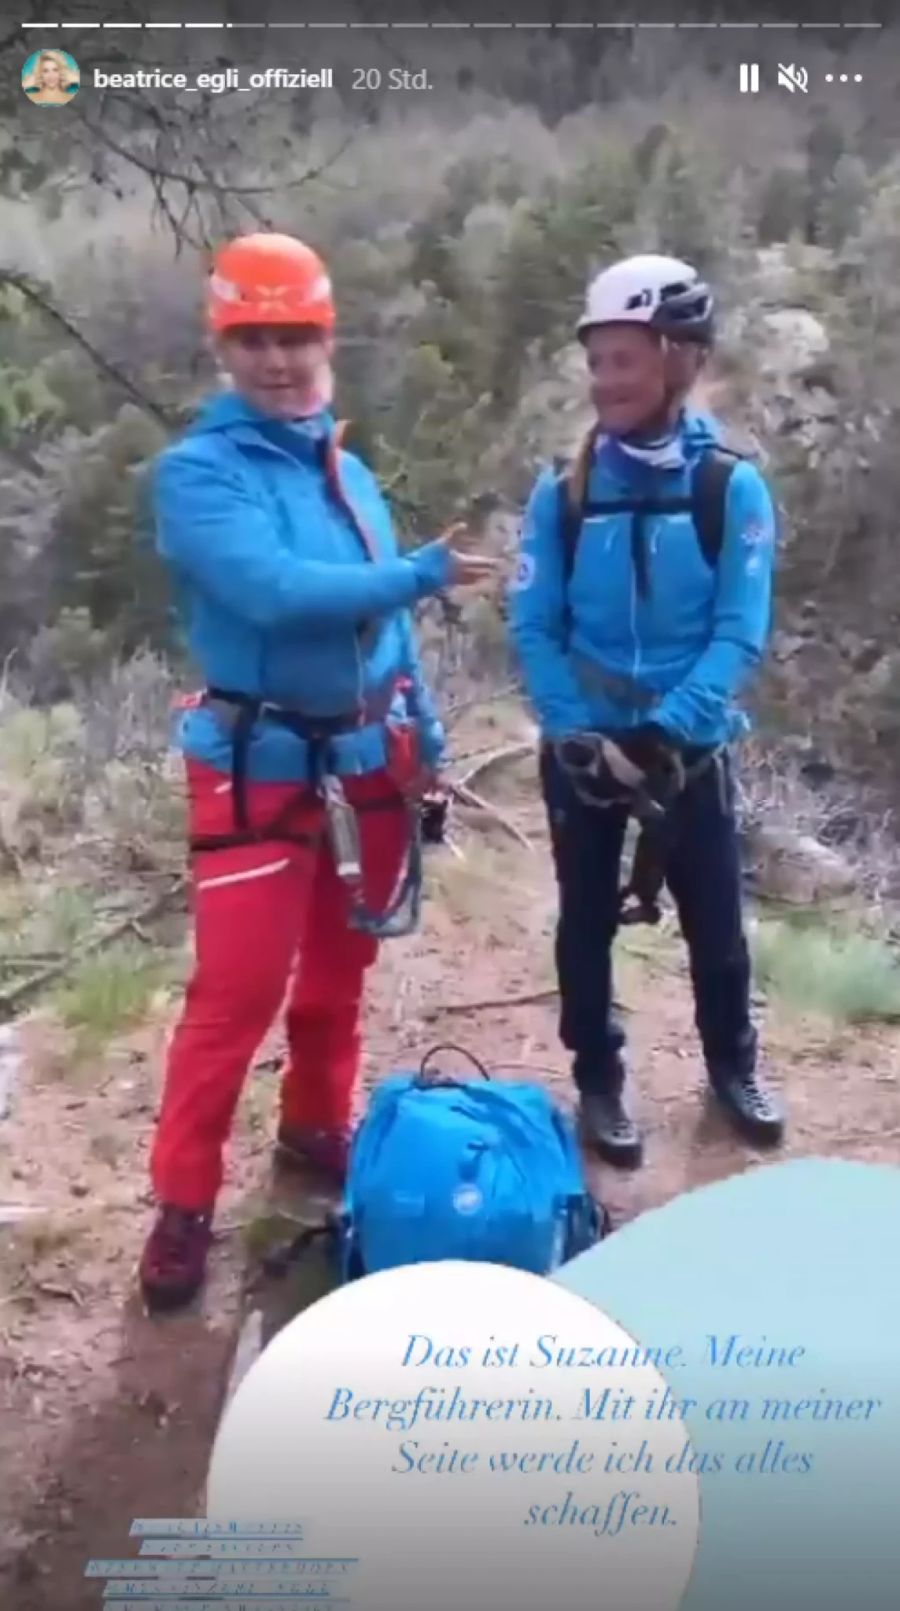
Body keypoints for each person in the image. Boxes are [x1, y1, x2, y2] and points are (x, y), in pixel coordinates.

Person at [139, 231, 496, 1312]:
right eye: (255, 339)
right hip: (259, 766)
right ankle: (183, 1201)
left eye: (295, 336)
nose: (278, 360)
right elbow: (278, 593)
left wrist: (425, 735)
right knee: (235, 993)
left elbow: (382, 642)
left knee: (341, 977)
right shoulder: (199, 475)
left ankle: (313, 1126)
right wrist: (422, 572)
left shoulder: (343, 471)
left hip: (366, 753)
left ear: (324, 337)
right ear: (224, 346)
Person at [508, 253, 783, 1169]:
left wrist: (669, 730)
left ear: (680, 360)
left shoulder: (728, 489)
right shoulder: (566, 489)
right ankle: (598, 1078)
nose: (606, 381)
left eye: (625, 360)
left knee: (715, 920)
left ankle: (733, 1065)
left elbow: (739, 634)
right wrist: (572, 728)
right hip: (585, 734)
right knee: (583, 916)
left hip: (689, 746)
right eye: (598, 362)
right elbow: (535, 621)